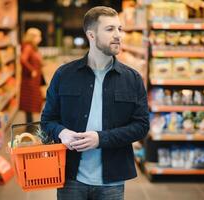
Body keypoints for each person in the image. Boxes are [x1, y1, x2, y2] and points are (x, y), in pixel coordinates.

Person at [41, 6, 149, 200]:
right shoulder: (64, 75)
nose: (118, 35)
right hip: (70, 177)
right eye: (110, 29)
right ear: (91, 34)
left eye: (119, 29)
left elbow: (141, 126)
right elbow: (47, 120)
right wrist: (62, 132)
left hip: (112, 181)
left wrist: (101, 139)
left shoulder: (132, 79)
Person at [20, 28, 43, 126]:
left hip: (33, 80)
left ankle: (30, 125)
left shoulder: (32, 47)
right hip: (29, 80)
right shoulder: (28, 47)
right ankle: (29, 126)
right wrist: (32, 70)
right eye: (39, 36)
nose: (40, 39)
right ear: (33, 37)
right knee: (29, 102)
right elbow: (22, 59)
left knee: (30, 102)